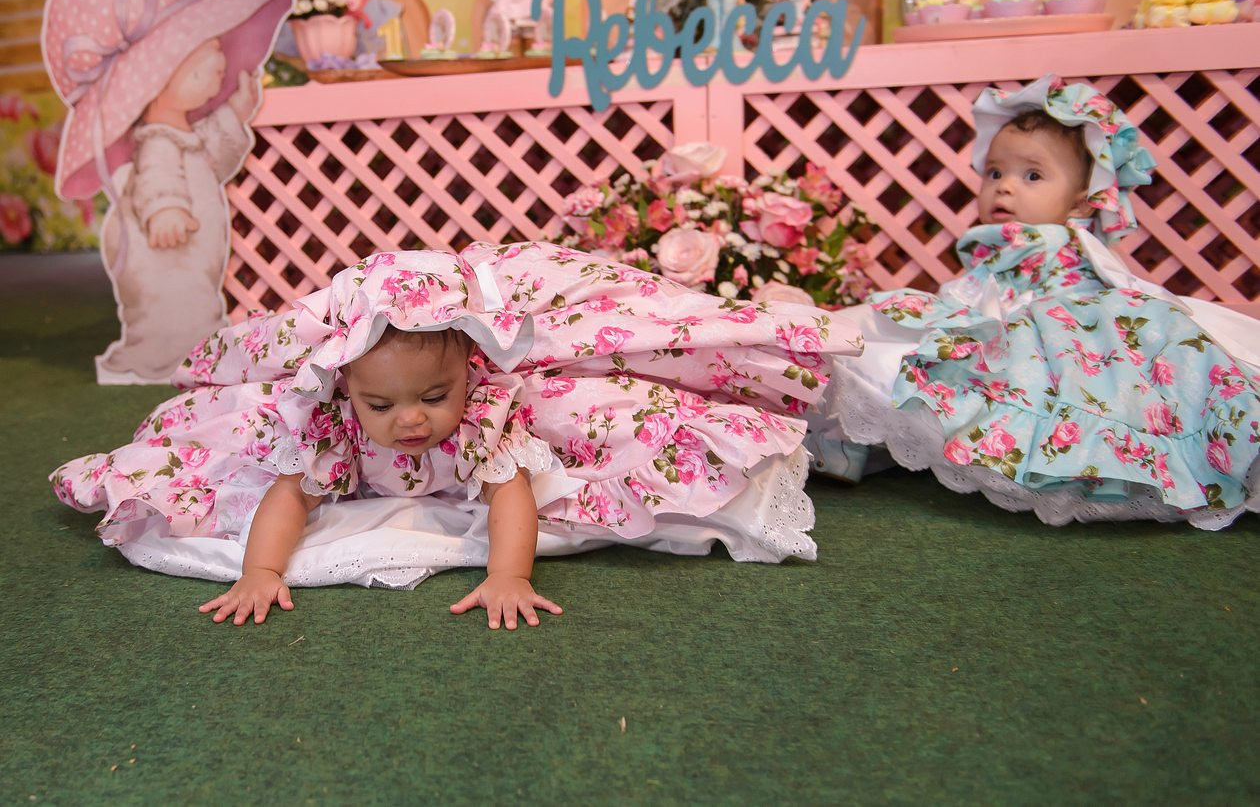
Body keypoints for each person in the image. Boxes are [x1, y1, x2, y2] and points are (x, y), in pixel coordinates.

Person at [52, 242, 863, 628]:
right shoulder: (337, 424)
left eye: (433, 396)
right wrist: (261, 571)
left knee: (616, 419)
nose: (411, 421)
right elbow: (288, 497)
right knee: (213, 453)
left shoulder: (478, 418)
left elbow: (510, 494)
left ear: (471, 376)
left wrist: (508, 574)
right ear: (346, 392)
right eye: (384, 405)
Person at [818, 74, 1260, 528]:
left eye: (1032, 175)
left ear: (1082, 204)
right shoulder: (1002, 244)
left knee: (920, 359)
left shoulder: (1050, 244)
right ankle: (852, 441)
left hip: (1057, 335)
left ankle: (852, 443)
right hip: (1014, 324)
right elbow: (976, 294)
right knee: (895, 351)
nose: (1004, 187)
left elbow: (1041, 293)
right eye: (995, 173)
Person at [41, 0, 292, 384]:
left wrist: (234, 114)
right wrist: (165, 210)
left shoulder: (184, 134)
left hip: (194, 254)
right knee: (169, 304)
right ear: (157, 82)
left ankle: (197, 345)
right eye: (201, 62)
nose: (220, 65)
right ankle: (168, 352)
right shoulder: (157, 142)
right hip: (168, 253)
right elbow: (156, 178)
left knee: (197, 301)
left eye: (216, 51)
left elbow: (214, 160)